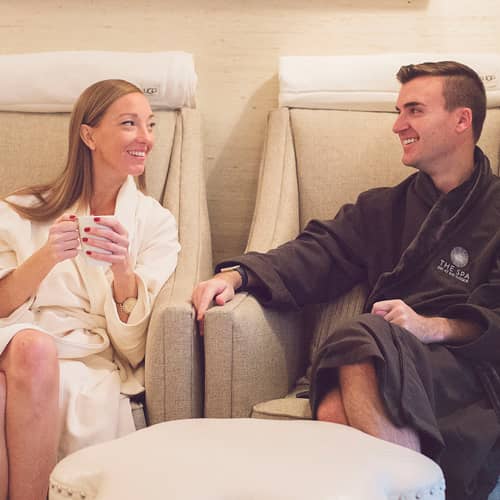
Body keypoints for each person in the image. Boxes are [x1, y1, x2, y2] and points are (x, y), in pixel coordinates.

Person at [192, 61, 500, 499]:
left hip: (465, 368)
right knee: (337, 401)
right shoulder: (384, 209)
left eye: (414, 110)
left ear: (461, 120)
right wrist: (240, 275)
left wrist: (432, 326)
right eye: (398, 111)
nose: (398, 125)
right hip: (387, 354)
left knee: (356, 346)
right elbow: (318, 251)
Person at [0, 79, 180, 500]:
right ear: (89, 135)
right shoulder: (23, 209)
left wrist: (122, 269)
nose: (146, 138)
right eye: (129, 124)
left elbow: (135, 347)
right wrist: (46, 256)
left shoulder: (155, 224)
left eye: (150, 125)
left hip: (88, 353)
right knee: (32, 347)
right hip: (17, 338)